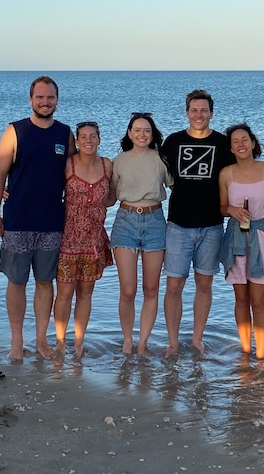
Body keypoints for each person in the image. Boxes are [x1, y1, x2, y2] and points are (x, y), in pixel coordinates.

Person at [0, 75, 75, 361]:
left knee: (44, 282)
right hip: (17, 221)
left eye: (50, 97)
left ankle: (41, 341)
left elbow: (75, 174)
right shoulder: (15, 131)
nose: (45, 102)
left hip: (52, 222)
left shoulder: (65, 134)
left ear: (57, 100)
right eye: (40, 97)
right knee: (16, 281)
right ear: (30, 99)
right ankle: (16, 342)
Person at [161, 89, 234, 355]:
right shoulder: (172, 141)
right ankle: (172, 341)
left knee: (204, 284)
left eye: (204, 110)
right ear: (187, 112)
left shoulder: (223, 143)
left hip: (212, 225)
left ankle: (197, 339)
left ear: (211, 113)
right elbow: (154, 172)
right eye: (194, 110)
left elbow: (239, 174)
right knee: (174, 285)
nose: (199, 115)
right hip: (178, 225)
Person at [109, 113, 173, 355]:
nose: (142, 134)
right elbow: (108, 197)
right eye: (137, 130)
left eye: (147, 130)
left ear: (152, 133)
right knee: (128, 290)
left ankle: (143, 343)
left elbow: (180, 187)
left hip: (155, 221)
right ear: (129, 133)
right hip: (125, 221)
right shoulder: (119, 162)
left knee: (151, 288)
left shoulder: (161, 159)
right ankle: (127, 340)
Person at [218, 123, 264, 360]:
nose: (241, 144)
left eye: (245, 139)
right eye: (235, 141)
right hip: (235, 238)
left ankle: (261, 356)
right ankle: (245, 351)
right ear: (231, 148)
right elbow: (222, 208)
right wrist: (231, 210)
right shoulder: (226, 173)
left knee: (258, 301)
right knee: (241, 300)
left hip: (262, 238)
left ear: (253, 143)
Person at [54, 121, 114, 359]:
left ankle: (79, 342)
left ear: (99, 139)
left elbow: (112, 198)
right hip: (67, 239)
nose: (88, 141)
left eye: (93, 136)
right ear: (76, 142)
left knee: (86, 293)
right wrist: (11, 189)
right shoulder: (67, 164)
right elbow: (46, 188)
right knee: (65, 293)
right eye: (83, 137)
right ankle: (60, 342)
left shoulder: (106, 165)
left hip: (94, 240)